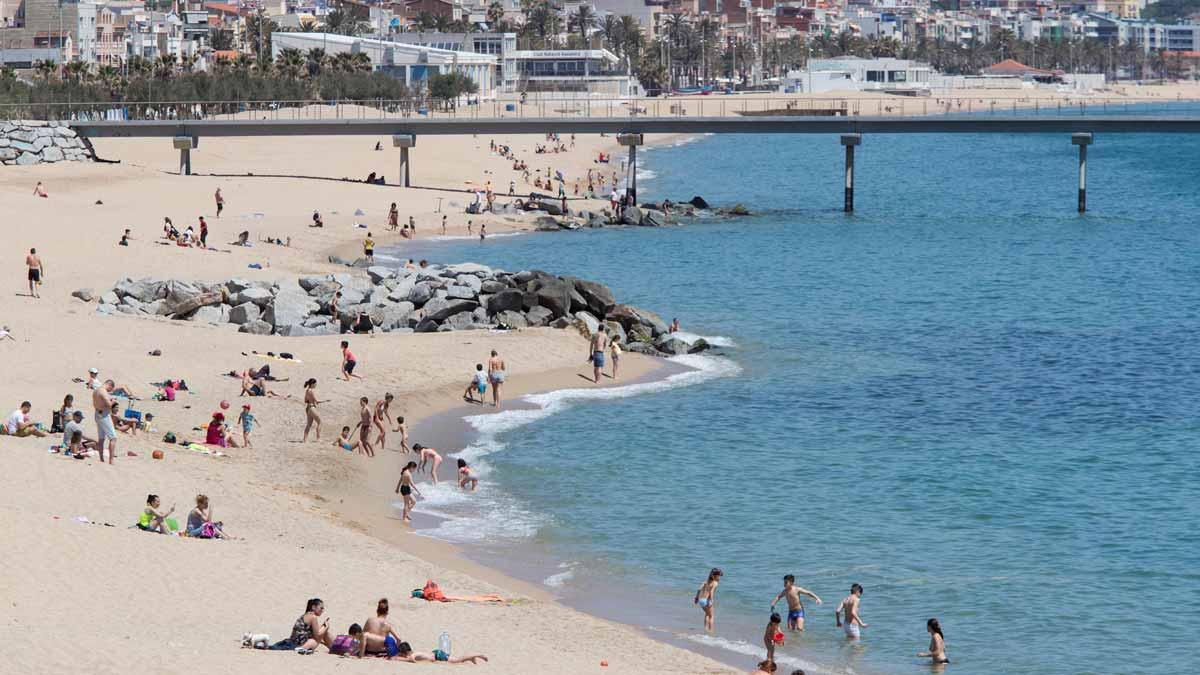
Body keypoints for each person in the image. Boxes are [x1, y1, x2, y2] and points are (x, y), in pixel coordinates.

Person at [390, 641, 489, 664]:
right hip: (436, 654)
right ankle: (471, 658)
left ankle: (478, 654)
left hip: (438, 656)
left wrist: (397, 658)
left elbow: (410, 660)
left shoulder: (413, 655)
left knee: (458, 660)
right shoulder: (413, 653)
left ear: (403, 652)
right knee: (459, 660)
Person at [93, 380, 117, 463]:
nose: (109, 391)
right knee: (113, 438)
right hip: (104, 415)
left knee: (101, 438)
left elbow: (100, 401)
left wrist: (110, 397)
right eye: (110, 389)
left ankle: (101, 459)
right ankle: (111, 460)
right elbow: (109, 405)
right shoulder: (103, 391)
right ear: (110, 386)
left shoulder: (96, 390)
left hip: (97, 413)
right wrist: (113, 401)